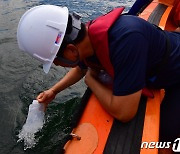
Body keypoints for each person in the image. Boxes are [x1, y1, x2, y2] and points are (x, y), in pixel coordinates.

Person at [17, 4, 180, 148]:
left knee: (168, 132)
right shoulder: (86, 38)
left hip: (175, 72)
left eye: (56, 62)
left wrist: (91, 80)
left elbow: (125, 113)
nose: (58, 65)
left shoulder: (127, 40)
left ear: (71, 51)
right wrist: (53, 91)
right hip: (161, 59)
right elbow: (81, 67)